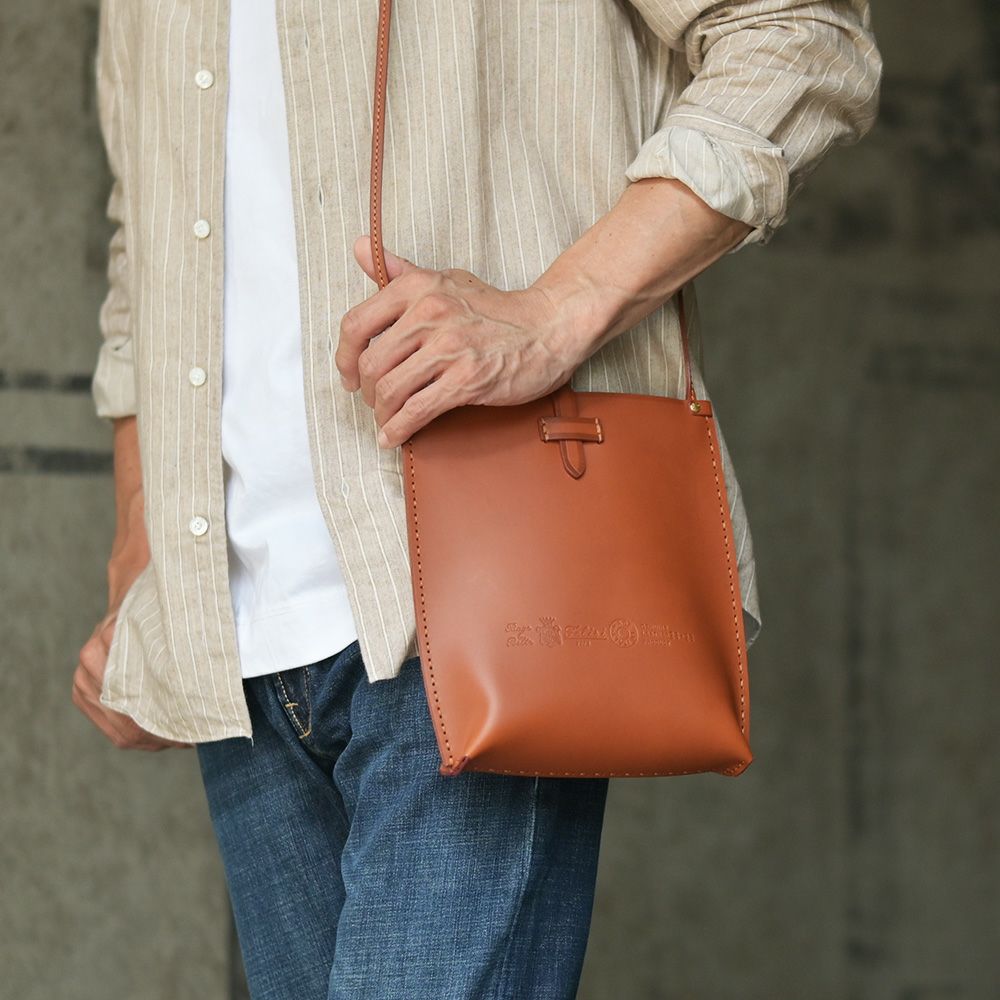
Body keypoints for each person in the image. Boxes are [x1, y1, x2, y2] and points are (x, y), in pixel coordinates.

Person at [72, 1, 881, 997]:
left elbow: (800, 35)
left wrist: (556, 310)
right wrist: (142, 545)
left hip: (477, 589)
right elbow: (144, 234)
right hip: (236, 642)